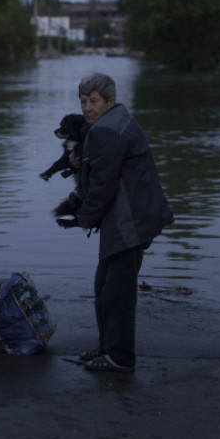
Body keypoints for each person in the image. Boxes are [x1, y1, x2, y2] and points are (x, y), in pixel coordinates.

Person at [69, 72, 173, 374]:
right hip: (132, 215)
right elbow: (103, 164)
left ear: (110, 102)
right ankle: (106, 348)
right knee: (104, 285)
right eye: (84, 101)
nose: (87, 108)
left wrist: (83, 218)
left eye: (94, 101)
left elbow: (102, 186)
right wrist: (81, 160)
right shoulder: (114, 120)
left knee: (118, 291)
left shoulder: (106, 131)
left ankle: (120, 358)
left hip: (130, 220)